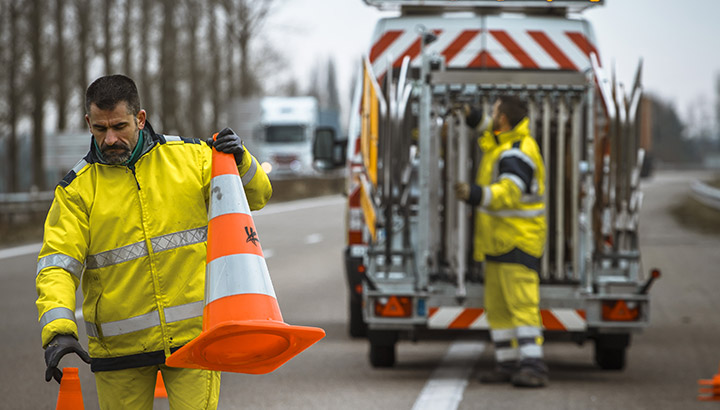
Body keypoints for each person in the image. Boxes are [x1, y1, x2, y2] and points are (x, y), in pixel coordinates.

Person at [36, 74, 272, 408]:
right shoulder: (76, 191)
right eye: (100, 129)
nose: (110, 139)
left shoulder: (193, 159)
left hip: (193, 340)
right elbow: (57, 265)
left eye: (119, 126)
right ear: (88, 123)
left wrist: (242, 160)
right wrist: (59, 329)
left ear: (140, 118)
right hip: (119, 351)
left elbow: (257, 196)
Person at [455, 95, 548, 388]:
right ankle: (507, 364)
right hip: (500, 242)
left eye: (494, 113)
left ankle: (533, 366)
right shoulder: (504, 143)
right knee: (498, 309)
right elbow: (486, 129)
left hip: (517, 242)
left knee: (522, 307)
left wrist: (474, 194)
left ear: (504, 119)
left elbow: (509, 192)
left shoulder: (517, 152)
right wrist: (470, 116)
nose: (491, 118)